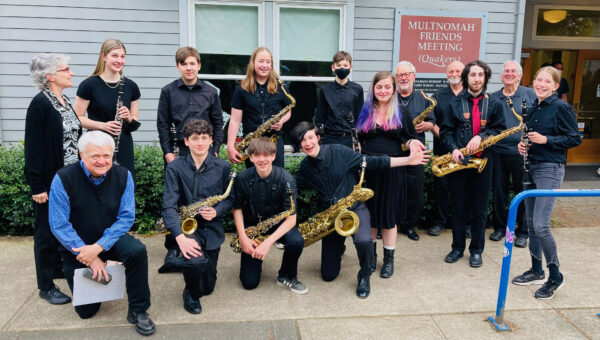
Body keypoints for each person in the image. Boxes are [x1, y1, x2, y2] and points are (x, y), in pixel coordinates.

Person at [291, 121, 429, 298]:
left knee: (364, 241)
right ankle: (338, 249)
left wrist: (408, 160)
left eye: (310, 137)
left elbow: (373, 161)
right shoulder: (305, 167)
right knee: (328, 275)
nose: (307, 143)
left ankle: (364, 275)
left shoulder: (339, 152)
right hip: (331, 217)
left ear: (318, 137)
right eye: (302, 140)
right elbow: (294, 190)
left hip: (354, 209)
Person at [48, 131, 155, 336]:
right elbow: (59, 225)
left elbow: (126, 218)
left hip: (109, 239)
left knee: (136, 251)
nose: (101, 161)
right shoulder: (63, 178)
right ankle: (105, 270)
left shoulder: (124, 175)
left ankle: (139, 310)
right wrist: (91, 259)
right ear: (81, 155)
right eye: (94, 156)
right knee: (87, 312)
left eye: (106, 155)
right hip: (77, 247)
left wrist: (98, 248)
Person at [511, 66, 581, 299]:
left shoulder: (560, 107)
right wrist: (524, 146)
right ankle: (536, 269)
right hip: (531, 168)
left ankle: (555, 276)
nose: (541, 84)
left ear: (555, 86)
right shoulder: (533, 108)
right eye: (538, 80)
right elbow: (531, 138)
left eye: (547, 81)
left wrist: (546, 139)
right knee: (530, 224)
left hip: (550, 169)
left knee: (541, 225)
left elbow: (574, 138)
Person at [156, 46, 224, 274]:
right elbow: (163, 124)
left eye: (192, 63)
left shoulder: (211, 92)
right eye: (184, 64)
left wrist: (215, 150)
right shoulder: (167, 91)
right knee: (176, 201)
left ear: (199, 65)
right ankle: (173, 248)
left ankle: (200, 239)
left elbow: (218, 122)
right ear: (178, 66)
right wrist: (168, 152)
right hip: (178, 150)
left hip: (204, 149)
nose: (189, 67)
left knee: (200, 198)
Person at [25, 53, 81, 305]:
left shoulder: (64, 100)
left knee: (66, 226)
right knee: (46, 233)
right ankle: (45, 286)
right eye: (65, 69)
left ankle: (58, 267)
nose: (70, 73)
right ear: (50, 77)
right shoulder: (40, 104)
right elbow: (34, 149)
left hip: (70, 180)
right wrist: (37, 185)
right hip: (50, 182)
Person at [161, 119, 233, 314]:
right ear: (186, 142)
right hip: (186, 228)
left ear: (211, 140)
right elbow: (168, 206)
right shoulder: (175, 168)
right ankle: (190, 293)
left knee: (207, 288)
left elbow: (231, 199)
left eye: (204, 138)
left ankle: (183, 265)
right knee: (195, 265)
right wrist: (180, 238)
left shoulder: (223, 167)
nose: (200, 143)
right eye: (195, 138)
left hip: (212, 228)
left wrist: (217, 211)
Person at [440, 60, 506, 268]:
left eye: (480, 75)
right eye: (472, 75)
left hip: (484, 163)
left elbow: (500, 130)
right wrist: (453, 149)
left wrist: (482, 136)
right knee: (459, 208)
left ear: (485, 78)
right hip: (461, 163)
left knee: (479, 210)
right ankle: (457, 247)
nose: (476, 79)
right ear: (466, 78)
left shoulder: (494, 103)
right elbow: (445, 131)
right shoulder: (454, 103)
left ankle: (476, 250)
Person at [356, 71, 418, 278]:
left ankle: (389, 260)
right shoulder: (364, 111)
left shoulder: (401, 111)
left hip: (394, 168)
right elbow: (357, 140)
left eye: (387, 87)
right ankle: (371, 257)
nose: (383, 91)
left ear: (393, 90)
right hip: (369, 170)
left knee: (390, 217)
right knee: (371, 215)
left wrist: (413, 143)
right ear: (373, 89)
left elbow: (408, 138)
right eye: (379, 87)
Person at [232, 137, 307, 294]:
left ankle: (287, 275)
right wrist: (243, 238)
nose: (262, 159)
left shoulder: (286, 179)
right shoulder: (242, 178)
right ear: (250, 157)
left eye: (266, 155)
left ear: (273, 156)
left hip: (279, 226)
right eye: (257, 155)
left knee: (296, 241)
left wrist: (267, 243)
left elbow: (291, 218)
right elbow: (237, 208)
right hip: (254, 228)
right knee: (249, 283)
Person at [74, 38, 141, 177]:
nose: (119, 60)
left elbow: (134, 122)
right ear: (103, 56)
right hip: (96, 145)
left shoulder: (131, 86)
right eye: (114, 56)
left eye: (122, 56)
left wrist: (128, 117)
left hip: (123, 146)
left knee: (123, 185)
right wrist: (103, 126)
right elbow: (76, 118)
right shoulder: (89, 84)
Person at [489, 60, 537, 246]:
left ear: (520, 75)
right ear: (501, 76)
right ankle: (500, 228)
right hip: (497, 151)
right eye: (506, 71)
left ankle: (523, 231)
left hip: (521, 152)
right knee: (499, 192)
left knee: (522, 191)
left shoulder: (530, 94)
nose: (509, 74)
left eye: (513, 71)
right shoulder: (493, 97)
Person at [227, 47, 292, 168]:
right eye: (261, 61)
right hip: (252, 143)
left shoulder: (281, 87)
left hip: (274, 141)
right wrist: (230, 146)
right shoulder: (241, 89)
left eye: (268, 62)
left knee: (276, 179)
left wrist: (281, 121)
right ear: (253, 63)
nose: (265, 65)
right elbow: (235, 120)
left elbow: (288, 111)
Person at [394, 61, 436, 241]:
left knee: (415, 190)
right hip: (394, 149)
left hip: (416, 150)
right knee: (392, 189)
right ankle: (389, 223)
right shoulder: (389, 96)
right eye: (400, 75)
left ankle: (409, 226)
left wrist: (428, 124)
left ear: (413, 76)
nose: (403, 78)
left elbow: (433, 122)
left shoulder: (424, 98)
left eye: (406, 74)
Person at [429, 60, 465, 237]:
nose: (454, 74)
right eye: (451, 71)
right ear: (446, 74)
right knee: (442, 188)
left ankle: (463, 224)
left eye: (458, 71)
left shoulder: (471, 95)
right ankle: (439, 222)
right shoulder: (438, 95)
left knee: (464, 189)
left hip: (466, 151)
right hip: (442, 149)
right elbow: (432, 122)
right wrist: (444, 137)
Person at [314, 51, 364, 149]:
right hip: (330, 139)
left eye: (345, 65)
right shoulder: (325, 90)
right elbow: (320, 117)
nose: (342, 68)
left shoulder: (357, 89)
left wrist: (359, 140)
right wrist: (319, 139)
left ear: (351, 67)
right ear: (333, 67)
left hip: (350, 139)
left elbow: (360, 117)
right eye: (339, 65)